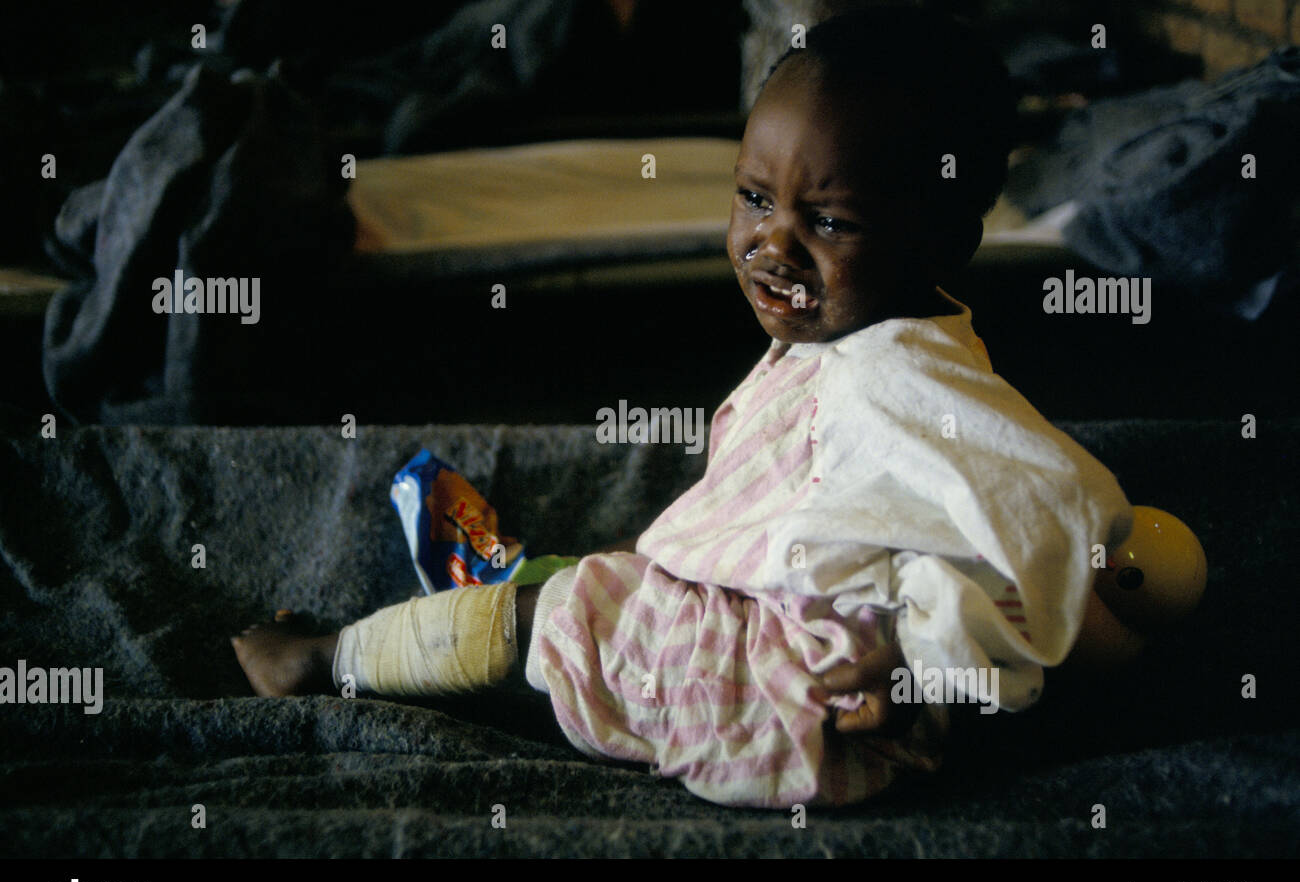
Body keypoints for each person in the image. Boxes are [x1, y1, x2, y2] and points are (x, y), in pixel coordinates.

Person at [232, 7, 1140, 808]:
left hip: (791, 704)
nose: (771, 243)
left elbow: (1060, 503)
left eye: (828, 221)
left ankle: (324, 662)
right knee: (596, 596)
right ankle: (525, 635)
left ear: (944, 239)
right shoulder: (868, 343)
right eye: (753, 198)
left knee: (563, 614)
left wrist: (919, 663)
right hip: (808, 695)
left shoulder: (908, 379)